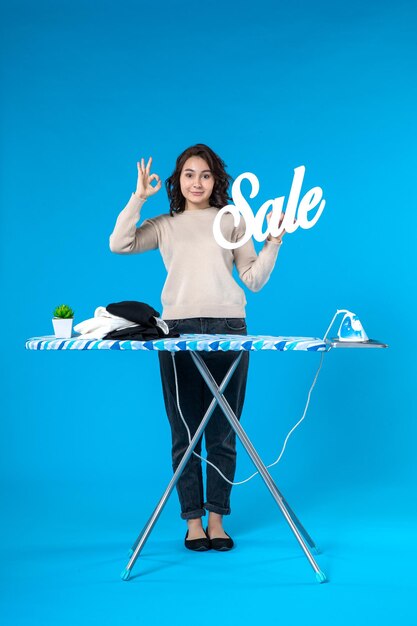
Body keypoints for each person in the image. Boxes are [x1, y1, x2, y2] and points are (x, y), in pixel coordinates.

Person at [109, 143, 286, 552]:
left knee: (223, 431)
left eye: (205, 175)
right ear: (178, 179)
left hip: (229, 327)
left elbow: (253, 279)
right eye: (189, 174)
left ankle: (218, 518)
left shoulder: (233, 220)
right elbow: (119, 243)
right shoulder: (166, 224)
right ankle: (192, 521)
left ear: (216, 180)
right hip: (177, 331)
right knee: (185, 431)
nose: (197, 182)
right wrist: (138, 198)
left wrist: (273, 242)